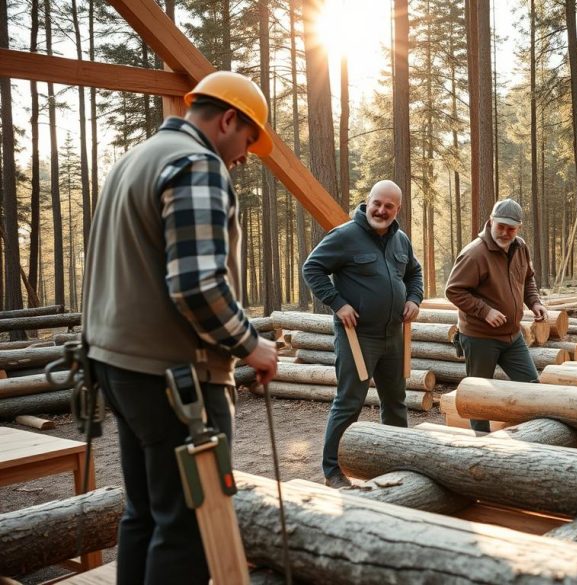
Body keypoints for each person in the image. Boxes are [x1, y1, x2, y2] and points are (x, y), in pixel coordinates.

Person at [81, 71, 279, 585]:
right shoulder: (197, 163)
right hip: (175, 379)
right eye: (246, 142)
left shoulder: (135, 158)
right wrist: (250, 344)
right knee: (191, 526)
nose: (241, 158)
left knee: (145, 513)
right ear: (228, 119)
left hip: (120, 368)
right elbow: (195, 286)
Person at [303, 180, 423, 487]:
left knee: (395, 399)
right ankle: (333, 471)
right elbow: (312, 268)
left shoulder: (401, 241)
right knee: (349, 402)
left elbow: (414, 273)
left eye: (389, 206)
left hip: (393, 336)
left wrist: (414, 298)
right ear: (367, 202)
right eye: (377, 203)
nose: (381, 210)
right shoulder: (345, 236)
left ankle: (396, 461)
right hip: (358, 337)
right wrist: (338, 303)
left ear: (398, 210)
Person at [445, 198, 548, 432]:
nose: (504, 232)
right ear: (491, 221)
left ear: (519, 227)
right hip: (479, 338)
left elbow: (528, 277)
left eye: (511, 228)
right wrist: (485, 311)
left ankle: (537, 436)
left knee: (533, 387)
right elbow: (453, 290)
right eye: (500, 226)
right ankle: (482, 445)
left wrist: (534, 302)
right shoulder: (474, 254)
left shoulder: (520, 246)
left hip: (512, 337)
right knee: (478, 395)